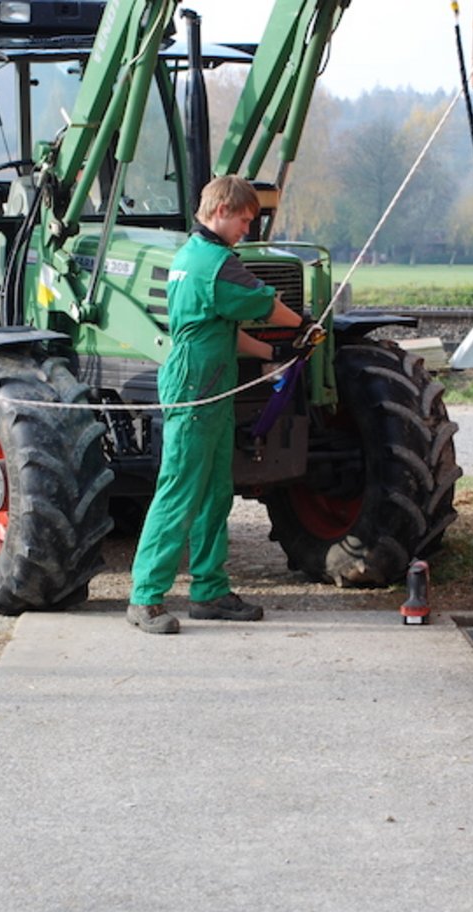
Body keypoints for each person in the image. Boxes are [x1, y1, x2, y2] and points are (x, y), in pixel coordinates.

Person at [126, 176, 314, 635]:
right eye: (244, 220)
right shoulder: (215, 264)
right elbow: (265, 304)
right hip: (196, 388)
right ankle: (145, 598)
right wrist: (304, 326)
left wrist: (273, 355)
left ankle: (209, 590)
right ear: (223, 209)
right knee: (179, 491)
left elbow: (222, 331)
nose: (246, 231)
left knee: (213, 493)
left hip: (205, 381)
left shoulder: (193, 258)